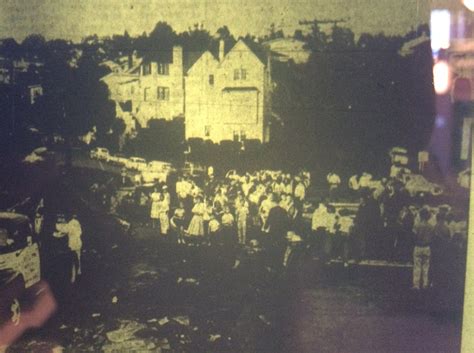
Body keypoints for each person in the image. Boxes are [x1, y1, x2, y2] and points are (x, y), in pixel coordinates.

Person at [54, 213, 83, 284]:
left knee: (73, 260)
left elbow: (64, 230)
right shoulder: (76, 222)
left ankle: (73, 278)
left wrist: (56, 232)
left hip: (73, 244)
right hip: (78, 242)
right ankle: (79, 271)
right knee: (78, 257)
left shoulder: (70, 224)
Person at [412, 208, 434, 290]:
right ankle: (425, 284)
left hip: (418, 246)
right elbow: (432, 237)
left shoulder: (417, 225)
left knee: (417, 267)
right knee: (426, 267)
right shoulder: (431, 226)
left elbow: (413, 236)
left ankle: (416, 285)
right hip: (427, 247)